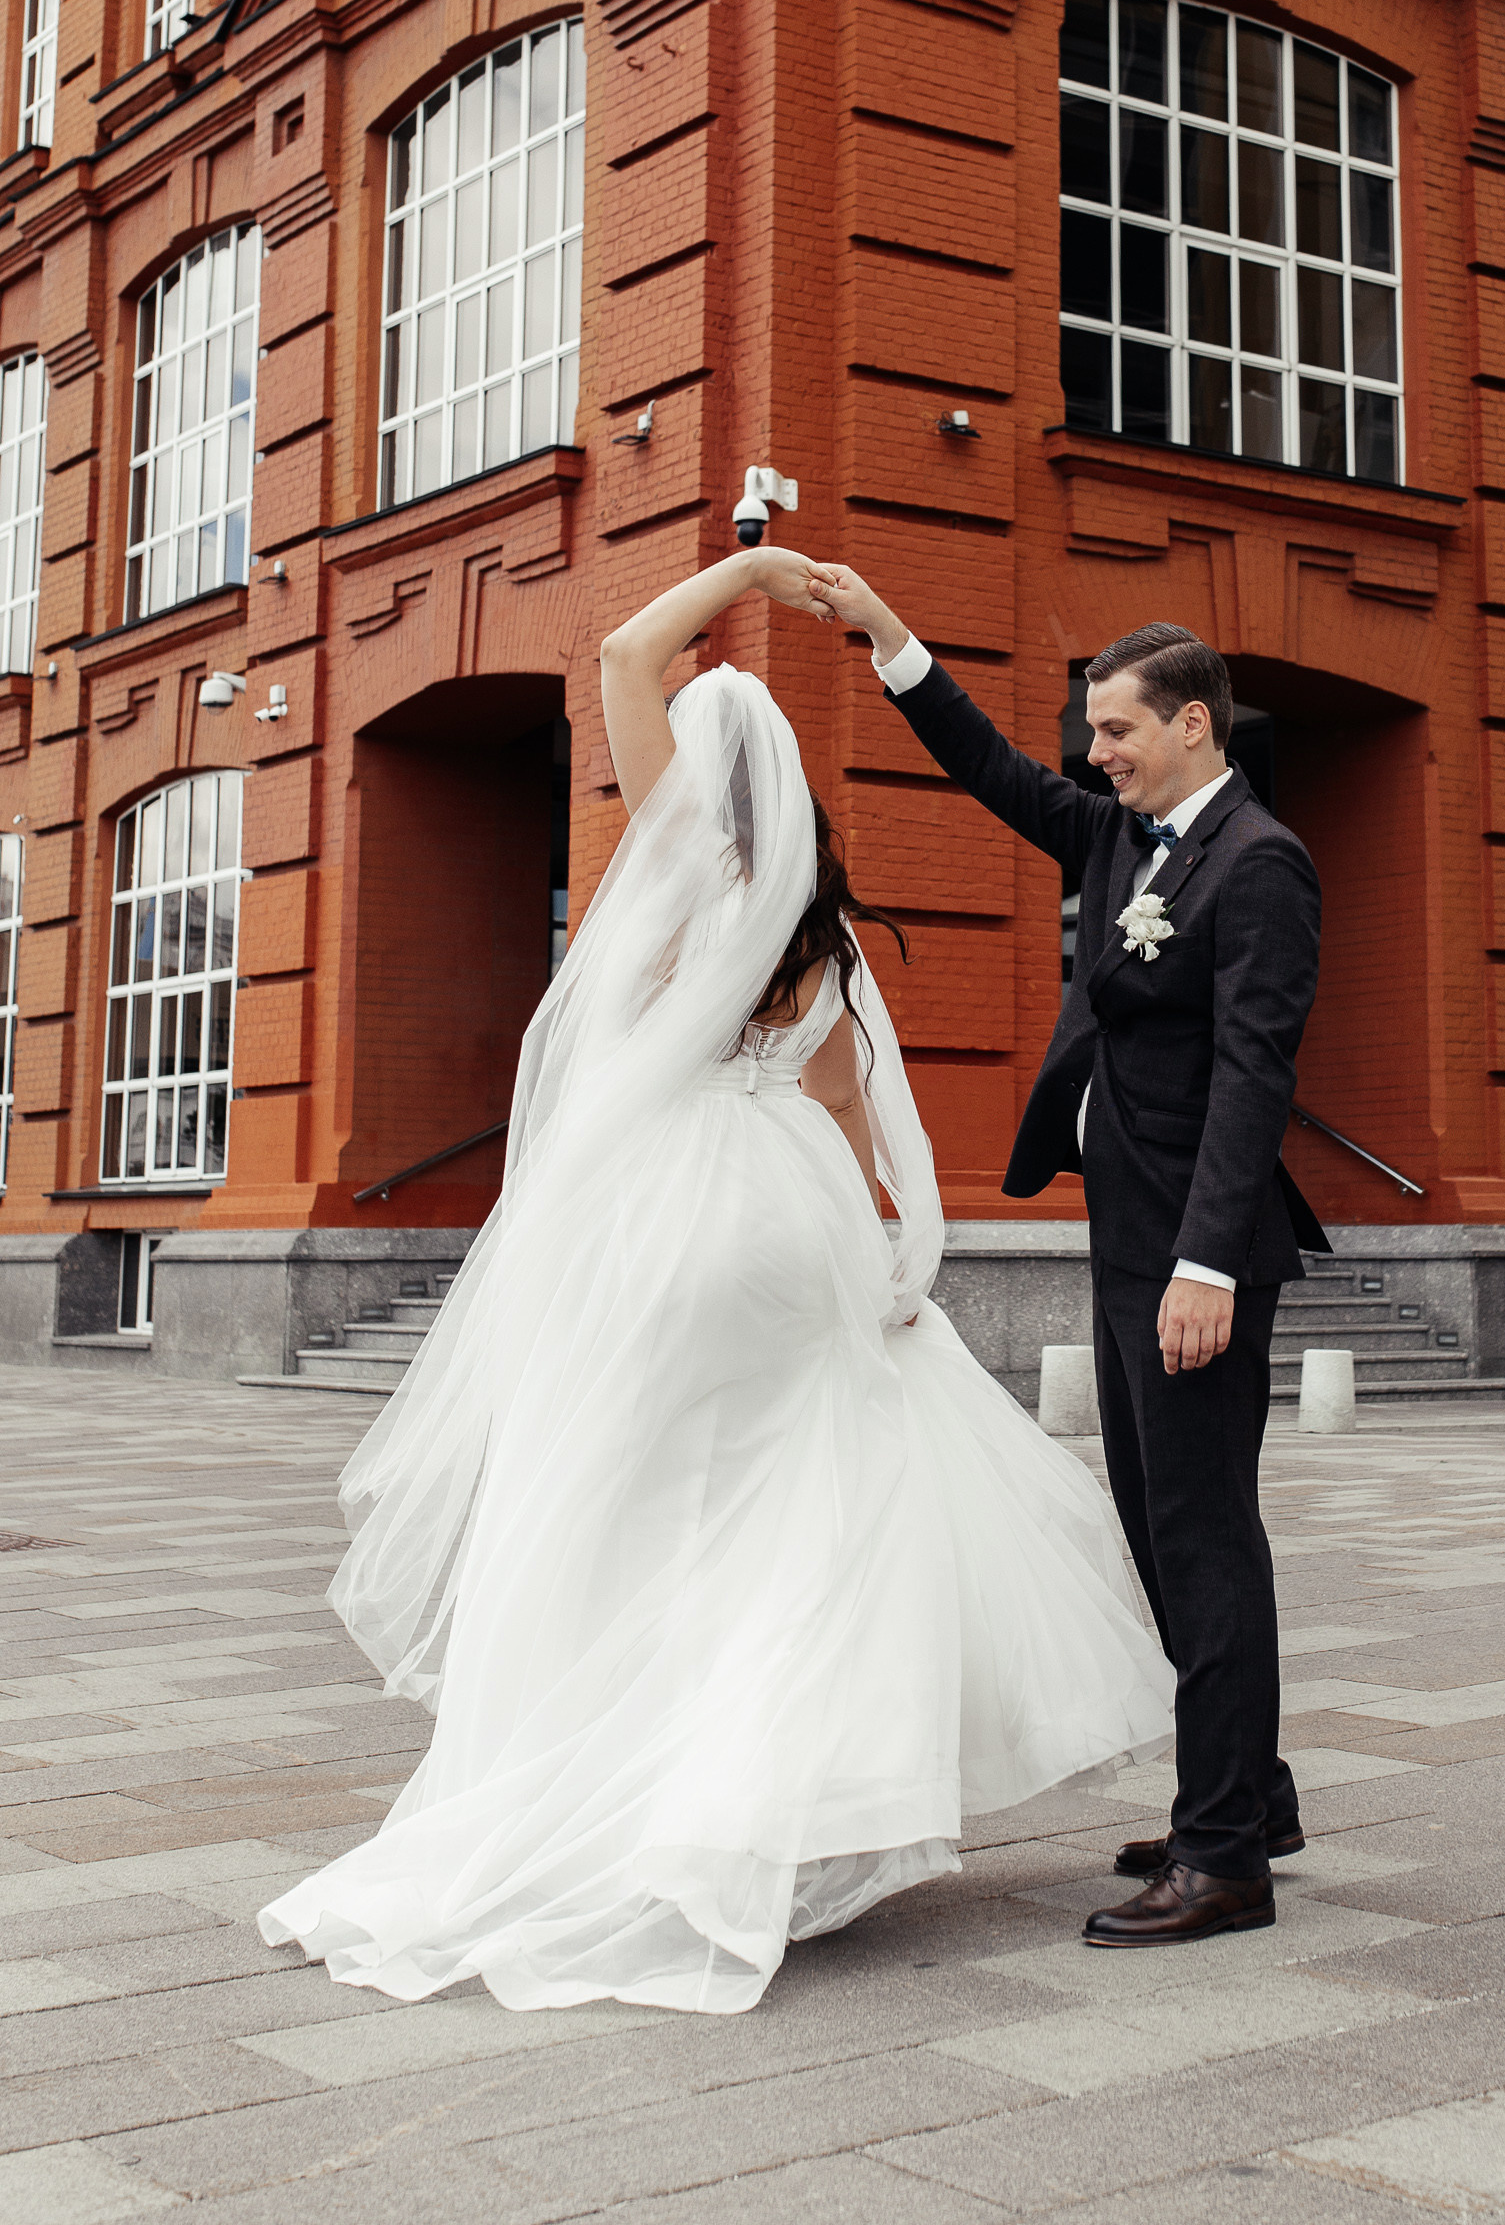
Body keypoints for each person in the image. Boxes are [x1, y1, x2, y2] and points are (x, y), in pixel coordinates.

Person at [259, 546, 1173, 2015]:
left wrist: (752, 564)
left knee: (629, 1506)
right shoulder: (811, 922)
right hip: (791, 1225)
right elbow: (853, 1108)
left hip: (664, 1225)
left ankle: (617, 1771)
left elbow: (625, 653)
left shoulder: (677, 872)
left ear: (691, 780)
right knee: (795, 1508)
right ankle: (766, 1799)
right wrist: (897, 1251)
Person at [807, 570, 1323, 1951]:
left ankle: (1224, 1862)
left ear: (1196, 727)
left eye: (1118, 731)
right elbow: (984, 767)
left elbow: (1253, 1077)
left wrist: (1207, 1268)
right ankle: (1248, 1791)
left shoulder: (1259, 863)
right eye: (1094, 734)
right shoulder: (1121, 841)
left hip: (1193, 1257)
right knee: (1163, 1532)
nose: (1095, 756)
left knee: (1205, 1537)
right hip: (1124, 1241)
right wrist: (888, 629)